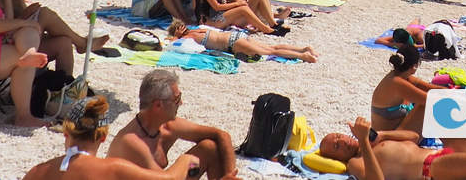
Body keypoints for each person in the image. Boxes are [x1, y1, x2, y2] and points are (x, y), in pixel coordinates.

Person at [22, 95, 199, 180]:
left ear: (66, 133)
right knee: (203, 153)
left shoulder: (37, 172)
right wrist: (187, 159)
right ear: (103, 137)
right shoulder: (114, 168)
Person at [108, 70, 235, 179]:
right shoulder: (132, 141)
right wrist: (185, 161)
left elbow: (221, 135)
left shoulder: (168, 126)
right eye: (177, 99)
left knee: (209, 148)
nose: (181, 103)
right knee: (191, 161)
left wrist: (230, 175)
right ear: (158, 105)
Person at [319, 117, 466, 180]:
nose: (342, 141)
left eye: (339, 136)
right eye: (336, 146)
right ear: (337, 159)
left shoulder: (373, 142)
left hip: (443, 156)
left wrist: (382, 135)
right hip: (431, 167)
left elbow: (414, 137)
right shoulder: (355, 162)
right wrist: (363, 140)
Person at [368, 43, 445, 134]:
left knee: (429, 99)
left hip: (393, 132)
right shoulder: (397, 83)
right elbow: (430, 100)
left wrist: (453, 92)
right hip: (387, 139)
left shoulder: (398, 76)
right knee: (426, 105)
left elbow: (431, 88)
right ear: (415, 66)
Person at [168, 20, 317, 62]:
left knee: (271, 51)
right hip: (236, 36)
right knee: (272, 47)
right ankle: (303, 49)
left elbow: (172, 45)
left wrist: (176, 36)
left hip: (233, 43)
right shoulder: (196, 31)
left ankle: (303, 55)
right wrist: (178, 34)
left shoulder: (190, 35)